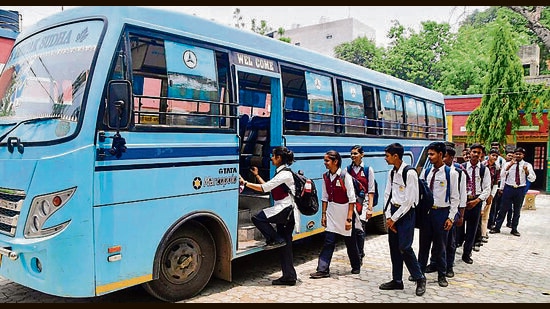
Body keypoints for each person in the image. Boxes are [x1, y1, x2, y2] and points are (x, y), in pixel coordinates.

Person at [239, 146, 299, 286]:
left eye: (273, 156)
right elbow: (268, 186)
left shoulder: (284, 174)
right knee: (286, 245)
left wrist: (245, 183)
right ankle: (289, 276)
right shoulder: (281, 173)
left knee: (257, 218)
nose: (271, 158)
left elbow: (264, 189)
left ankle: (276, 239)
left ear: (279, 158)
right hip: (284, 209)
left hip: (285, 209)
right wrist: (257, 175)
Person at [378, 143, 426, 297]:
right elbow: (387, 194)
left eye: (387, 156)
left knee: (405, 247)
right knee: (394, 248)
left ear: (396, 156)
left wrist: (394, 218)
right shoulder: (392, 172)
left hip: (406, 214)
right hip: (393, 212)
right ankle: (397, 280)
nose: (385, 159)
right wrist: (388, 217)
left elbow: (410, 201)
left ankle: (419, 278)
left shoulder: (409, 173)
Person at [310, 150, 362, 279]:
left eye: (327, 161)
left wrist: (349, 219)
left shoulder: (345, 176)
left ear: (335, 161)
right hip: (332, 212)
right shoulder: (326, 176)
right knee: (328, 241)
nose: (325, 163)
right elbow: (325, 196)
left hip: (345, 212)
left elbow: (352, 199)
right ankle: (323, 269)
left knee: (350, 242)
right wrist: (323, 215)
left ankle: (356, 265)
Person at [417, 142, 459, 288]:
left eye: (432, 154)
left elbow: (455, 197)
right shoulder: (426, 172)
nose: (429, 157)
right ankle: (419, 274)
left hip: (442, 213)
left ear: (441, 154)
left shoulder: (451, 173)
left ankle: (442, 274)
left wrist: (451, 217)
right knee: (423, 246)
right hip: (427, 214)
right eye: (428, 154)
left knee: (441, 247)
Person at [490, 147, 536, 237]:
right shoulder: (507, 163)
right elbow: (502, 175)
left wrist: (526, 172)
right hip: (508, 188)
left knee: (517, 210)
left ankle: (514, 229)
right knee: (503, 209)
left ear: (523, 155)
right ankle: (497, 227)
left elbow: (533, 178)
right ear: (514, 154)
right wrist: (509, 166)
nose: (518, 155)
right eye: (516, 154)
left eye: (520, 154)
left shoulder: (527, 165)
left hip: (520, 189)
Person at [461, 143, 491, 265]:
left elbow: (487, 189)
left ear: (481, 155)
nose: (476, 155)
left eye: (478, 153)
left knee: (472, 230)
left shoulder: (484, 170)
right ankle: (453, 250)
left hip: (476, 202)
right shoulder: (461, 167)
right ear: (470, 152)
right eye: (474, 152)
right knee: (458, 229)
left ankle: (467, 254)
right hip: (463, 202)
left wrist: (477, 201)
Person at [347, 145, 376, 266]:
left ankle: (360, 254)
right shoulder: (348, 169)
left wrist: (370, 208)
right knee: (352, 231)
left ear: (362, 155)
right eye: (352, 154)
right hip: (351, 203)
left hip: (363, 204)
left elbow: (371, 190)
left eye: (355, 153)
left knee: (360, 230)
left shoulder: (368, 170)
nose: (353, 156)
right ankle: (356, 254)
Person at [475, 148, 500, 249]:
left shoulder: (497, 168)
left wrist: (491, 196)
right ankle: (477, 237)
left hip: (489, 194)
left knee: (485, 216)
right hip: (479, 193)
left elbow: (495, 183)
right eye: (493, 155)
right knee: (478, 216)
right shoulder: (482, 166)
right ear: (488, 155)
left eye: (496, 156)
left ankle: (483, 234)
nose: (494, 157)